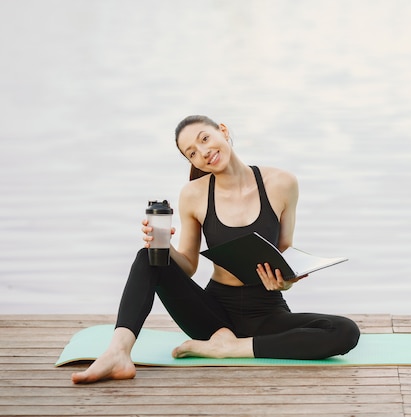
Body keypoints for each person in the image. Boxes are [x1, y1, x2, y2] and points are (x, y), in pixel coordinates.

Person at [71, 115, 360, 384]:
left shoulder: (282, 183)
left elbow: (284, 254)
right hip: (212, 317)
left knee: (345, 331)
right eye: (192, 152)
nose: (202, 152)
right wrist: (164, 247)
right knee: (147, 257)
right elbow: (188, 266)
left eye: (204, 139)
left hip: (267, 313)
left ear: (223, 130)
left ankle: (232, 349)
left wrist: (286, 282)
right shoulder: (193, 194)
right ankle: (118, 352)